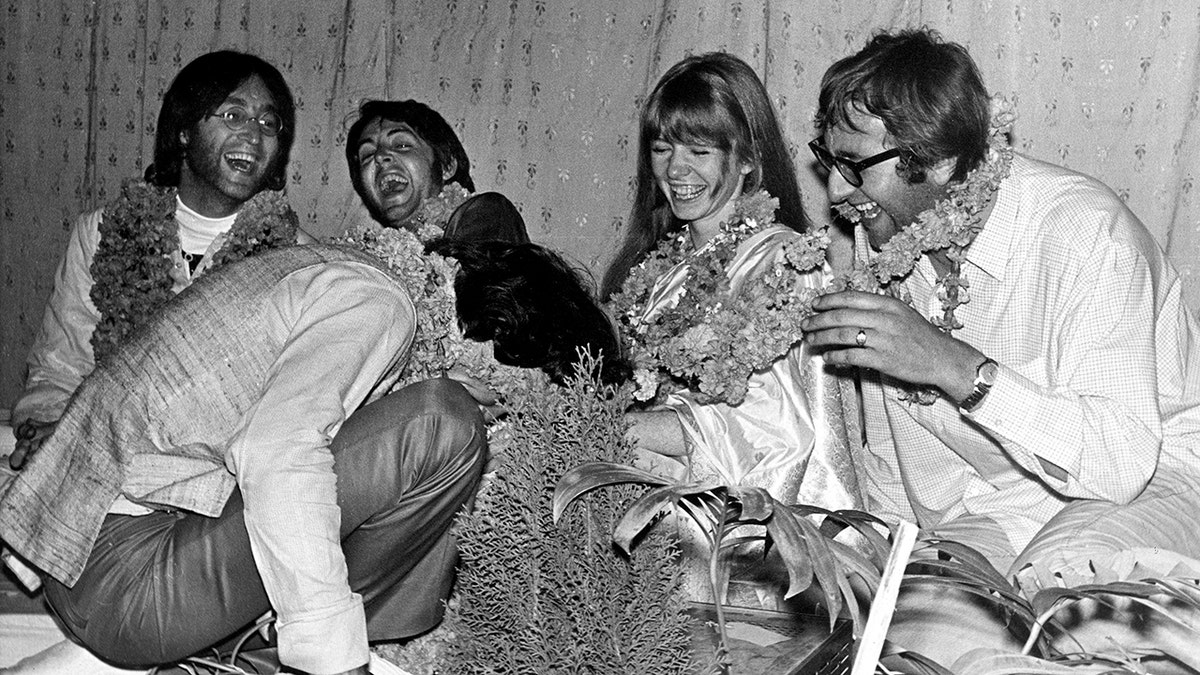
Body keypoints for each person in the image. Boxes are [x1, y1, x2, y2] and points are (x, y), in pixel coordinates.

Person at [0, 237, 628, 675]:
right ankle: (271, 654)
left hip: (92, 561)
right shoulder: (378, 301)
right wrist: (339, 662)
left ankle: (245, 648)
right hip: (124, 578)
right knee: (444, 424)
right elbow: (276, 450)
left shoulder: (348, 276)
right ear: (505, 338)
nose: (500, 408)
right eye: (510, 393)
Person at [800, 27, 1200, 664]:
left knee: (1070, 612)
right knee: (899, 637)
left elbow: (1123, 462)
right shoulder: (876, 242)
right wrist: (891, 560)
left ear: (940, 161)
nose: (837, 192)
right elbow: (891, 455)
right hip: (995, 505)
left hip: (1153, 478)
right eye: (829, 159)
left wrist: (954, 367)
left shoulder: (1083, 233)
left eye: (856, 167)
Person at [602, 53, 863, 607]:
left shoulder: (787, 264)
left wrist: (624, 429)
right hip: (639, 518)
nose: (677, 169)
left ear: (746, 159)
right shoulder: (654, 273)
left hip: (728, 545)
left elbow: (783, 434)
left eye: (700, 150)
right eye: (662, 148)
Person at [9, 50, 314, 469]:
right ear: (185, 131)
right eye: (233, 116)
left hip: (217, 474)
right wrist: (53, 430)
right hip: (93, 456)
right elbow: (59, 369)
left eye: (269, 122)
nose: (254, 135)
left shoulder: (296, 259)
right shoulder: (101, 232)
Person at [345, 100, 529, 244]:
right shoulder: (372, 258)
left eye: (401, 145)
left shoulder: (488, 215)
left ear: (446, 166)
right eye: (367, 154)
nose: (379, 156)